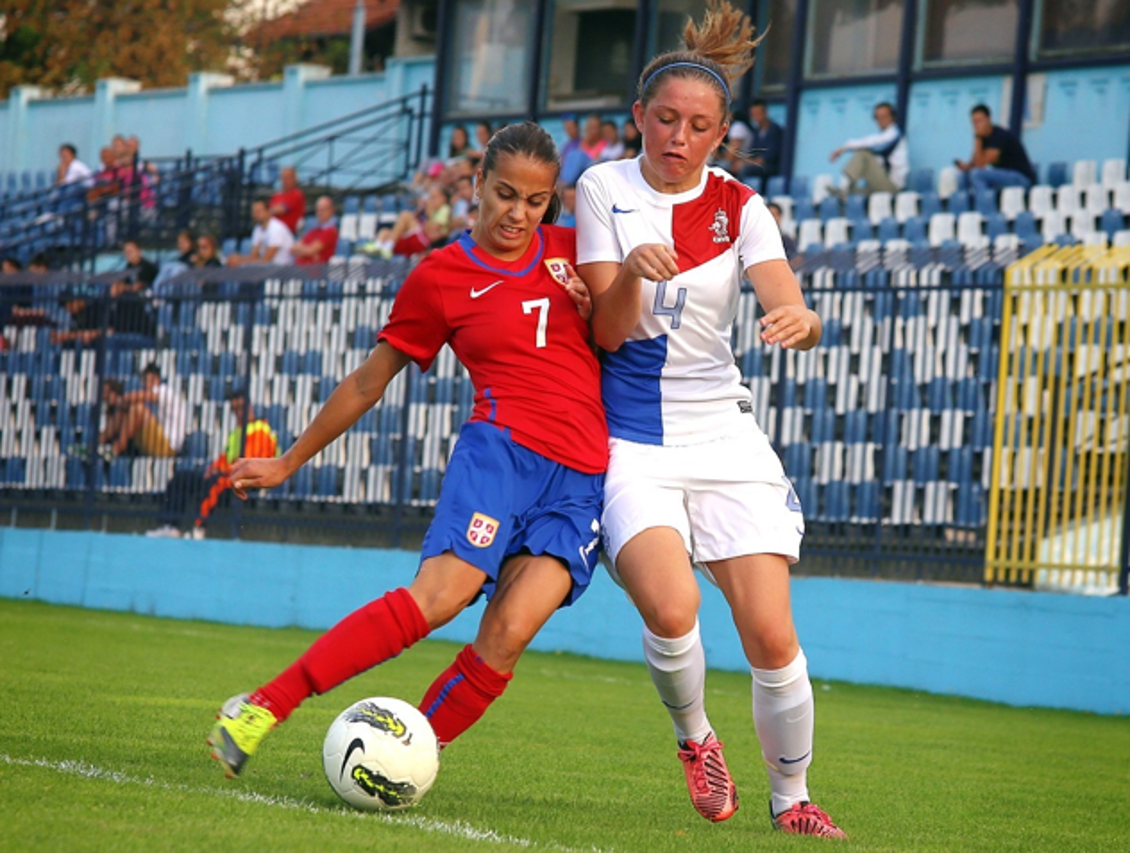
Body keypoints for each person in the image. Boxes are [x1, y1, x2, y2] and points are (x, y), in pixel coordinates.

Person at [206, 122, 607, 781]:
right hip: (501, 456)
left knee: (507, 635)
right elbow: (369, 380)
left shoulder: (579, 250)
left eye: (535, 201)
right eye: (505, 193)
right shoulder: (442, 275)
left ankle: (402, 763)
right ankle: (263, 705)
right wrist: (288, 460)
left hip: (582, 478)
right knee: (440, 598)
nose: (518, 213)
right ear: (475, 185)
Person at [575, 0, 845, 839]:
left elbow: (788, 301)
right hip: (630, 441)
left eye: (697, 125)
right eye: (665, 120)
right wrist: (629, 278)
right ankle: (696, 739)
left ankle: (791, 798)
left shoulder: (741, 205)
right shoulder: (601, 188)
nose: (678, 137)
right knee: (672, 607)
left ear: (719, 134)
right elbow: (606, 331)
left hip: (724, 436)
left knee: (770, 630)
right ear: (639, 120)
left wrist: (802, 322)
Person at [149, 389, 278, 539]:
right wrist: (214, 468)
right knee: (182, 478)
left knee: (218, 482)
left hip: (246, 481)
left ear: (249, 407)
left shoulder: (261, 430)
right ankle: (169, 525)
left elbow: (250, 462)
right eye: (234, 409)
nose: (237, 413)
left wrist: (223, 470)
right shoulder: (237, 432)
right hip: (229, 475)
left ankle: (199, 527)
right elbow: (225, 457)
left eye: (240, 408)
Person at [98, 363, 187, 459]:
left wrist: (120, 400)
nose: (143, 384)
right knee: (127, 411)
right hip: (159, 442)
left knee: (138, 410)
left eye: (145, 380)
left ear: (155, 379)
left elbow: (140, 397)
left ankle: (116, 449)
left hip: (168, 448)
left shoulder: (164, 390)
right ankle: (99, 442)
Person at [829, 101, 907, 196]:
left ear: (892, 117)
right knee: (854, 195)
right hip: (878, 186)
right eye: (877, 117)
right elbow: (870, 141)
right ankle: (844, 193)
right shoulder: (882, 136)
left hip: (893, 188)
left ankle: (842, 189)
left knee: (863, 154)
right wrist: (846, 147)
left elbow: (870, 144)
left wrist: (844, 148)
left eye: (884, 116)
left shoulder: (894, 135)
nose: (880, 120)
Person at [957, 104, 1036, 193]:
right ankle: (965, 204)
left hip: (1021, 178)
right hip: (1004, 176)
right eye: (974, 122)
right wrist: (966, 167)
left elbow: (980, 165)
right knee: (963, 176)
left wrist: (977, 138)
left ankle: (985, 203)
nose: (976, 126)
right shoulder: (983, 140)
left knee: (977, 175)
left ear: (988, 119)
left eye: (979, 121)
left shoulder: (999, 135)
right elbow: (975, 164)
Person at [367, 185, 452, 258]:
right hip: (417, 238)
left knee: (406, 215)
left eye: (434, 197)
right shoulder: (434, 210)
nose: (431, 200)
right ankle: (379, 247)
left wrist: (428, 214)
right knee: (385, 232)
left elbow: (431, 231)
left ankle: (387, 247)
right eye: (430, 197)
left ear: (443, 199)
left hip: (423, 242)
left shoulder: (444, 209)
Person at [227, 198, 295, 267]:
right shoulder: (257, 229)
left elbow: (267, 260)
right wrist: (238, 259)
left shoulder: (277, 229)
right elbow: (253, 256)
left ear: (268, 212)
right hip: (267, 269)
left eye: (259, 211)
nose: (256, 214)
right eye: (254, 211)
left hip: (282, 271)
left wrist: (241, 262)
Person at [291, 195, 340, 265]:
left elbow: (310, 251)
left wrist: (305, 251)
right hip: (300, 271)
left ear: (331, 211)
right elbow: (293, 249)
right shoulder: (312, 231)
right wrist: (309, 252)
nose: (320, 213)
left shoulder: (331, 231)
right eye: (318, 210)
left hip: (317, 273)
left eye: (323, 210)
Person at [743, 98, 783, 180]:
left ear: (765, 112)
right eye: (754, 114)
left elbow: (772, 153)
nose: (756, 117)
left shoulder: (775, 129)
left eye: (759, 113)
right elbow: (753, 150)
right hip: (757, 163)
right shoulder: (756, 131)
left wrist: (757, 161)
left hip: (770, 166)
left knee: (745, 170)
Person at [269, 166, 306, 236]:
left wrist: (270, 210)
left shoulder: (297, 194)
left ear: (295, 179)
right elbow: (269, 211)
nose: (284, 180)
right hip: (273, 232)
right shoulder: (276, 195)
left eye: (287, 177)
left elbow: (281, 210)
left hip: (289, 234)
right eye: (283, 177)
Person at [767, 202, 801, 269]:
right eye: (768, 215)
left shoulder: (786, 239)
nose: (770, 218)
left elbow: (796, 259)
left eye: (773, 215)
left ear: (779, 217)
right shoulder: (756, 238)